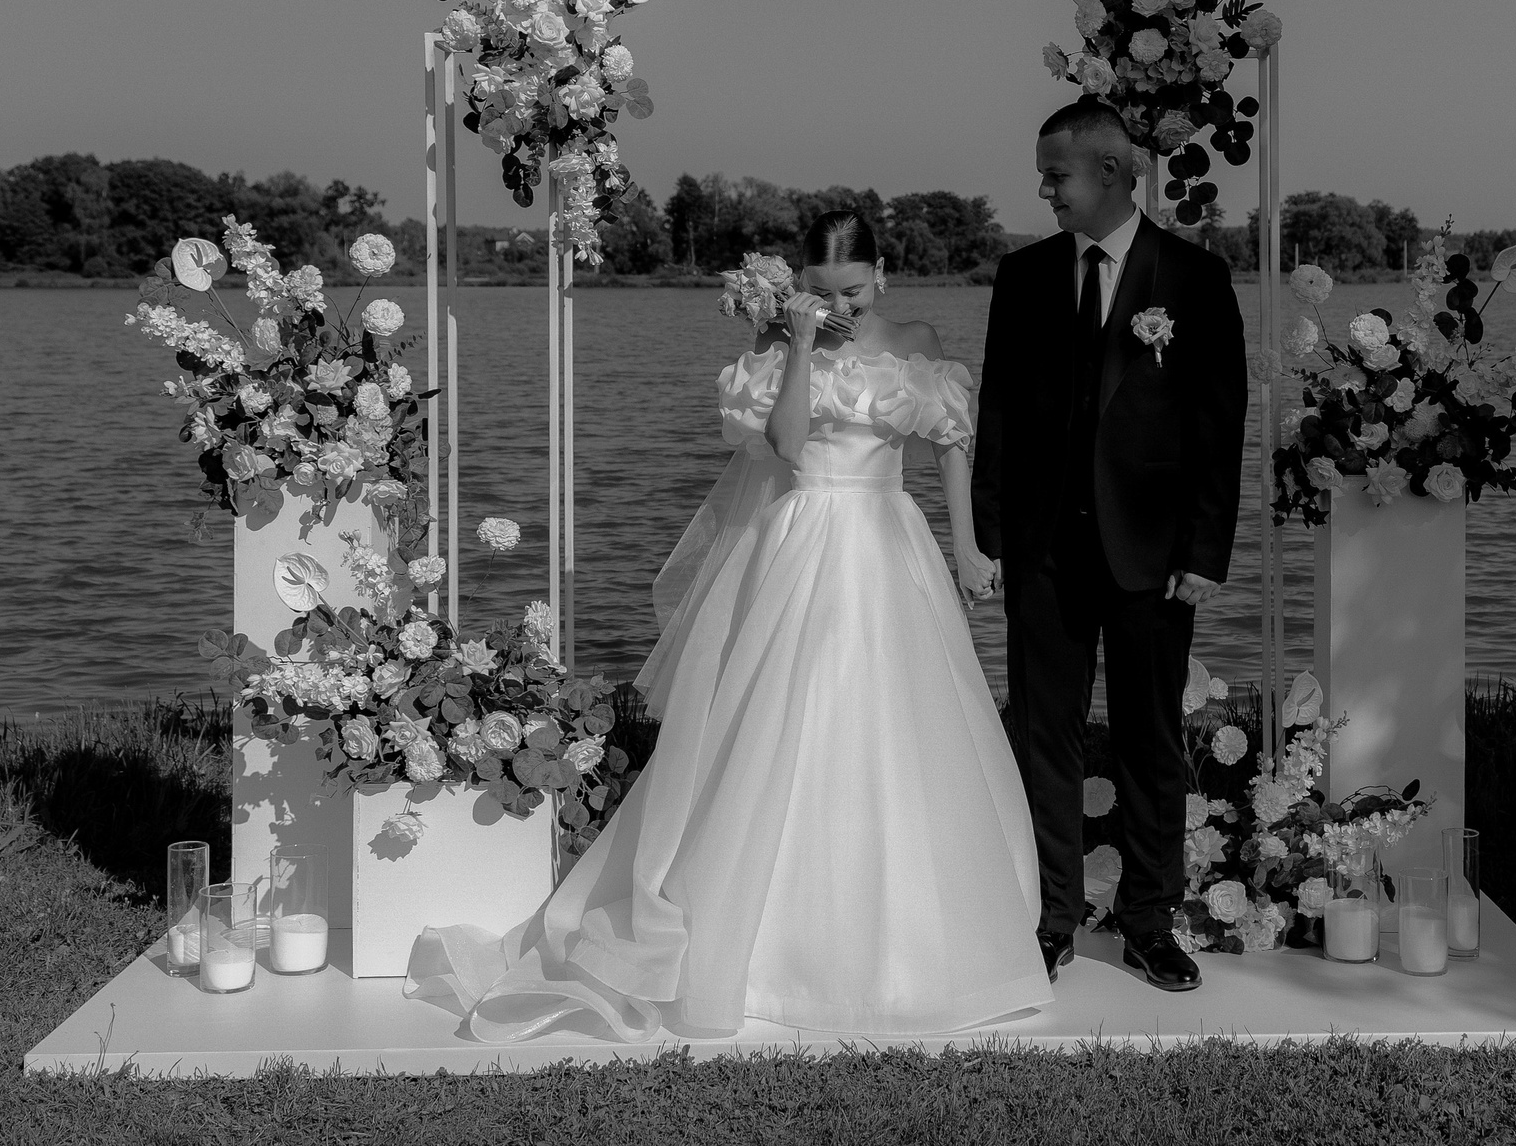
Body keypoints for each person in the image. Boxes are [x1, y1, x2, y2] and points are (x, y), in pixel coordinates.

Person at [406, 210, 1051, 1040]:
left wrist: (967, 545)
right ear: (799, 287)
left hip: (892, 542)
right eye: (819, 292)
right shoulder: (779, 350)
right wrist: (802, 345)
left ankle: (920, 949)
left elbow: (949, 441)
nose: (837, 304)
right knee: (783, 721)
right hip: (800, 540)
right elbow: (784, 444)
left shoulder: (918, 335)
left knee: (900, 725)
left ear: (881, 276)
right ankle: (770, 952)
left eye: (850, 291)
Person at [974, 98, 1248, 991]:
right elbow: (1000, 416)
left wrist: (1206, 552)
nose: (1044, 189)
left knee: (1148, 739)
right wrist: (989, 540)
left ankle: (1146, 920)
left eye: (1057, 174)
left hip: (1154, 558)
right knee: (1043, 736)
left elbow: (1218, 426)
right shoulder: (1023, 277)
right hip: (1044, 552)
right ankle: (1051, 917)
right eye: (1044, 174)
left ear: (1115, 175)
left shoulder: (1196, 280)